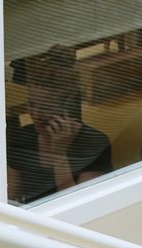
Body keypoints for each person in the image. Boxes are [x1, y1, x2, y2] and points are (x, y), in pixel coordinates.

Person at [7, 45, 112, 204]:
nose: (35, 114)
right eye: (31, 104)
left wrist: (60, 155)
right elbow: (9, 199)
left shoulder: (93, 143)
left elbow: (77, 205)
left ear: (66, 106)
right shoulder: (21, 139)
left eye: (45, 107)